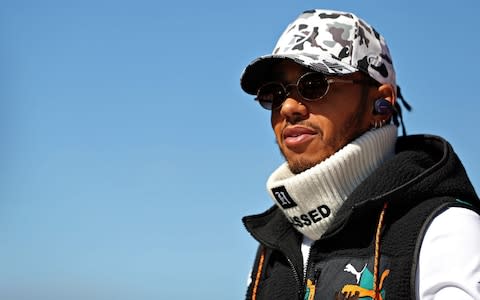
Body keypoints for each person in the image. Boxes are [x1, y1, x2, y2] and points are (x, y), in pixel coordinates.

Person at [239, 8, 480, 300]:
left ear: (381, 103)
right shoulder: (274, 245)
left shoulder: (444, 228)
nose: (289, 107)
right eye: (274, 94)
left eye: (314, 85)